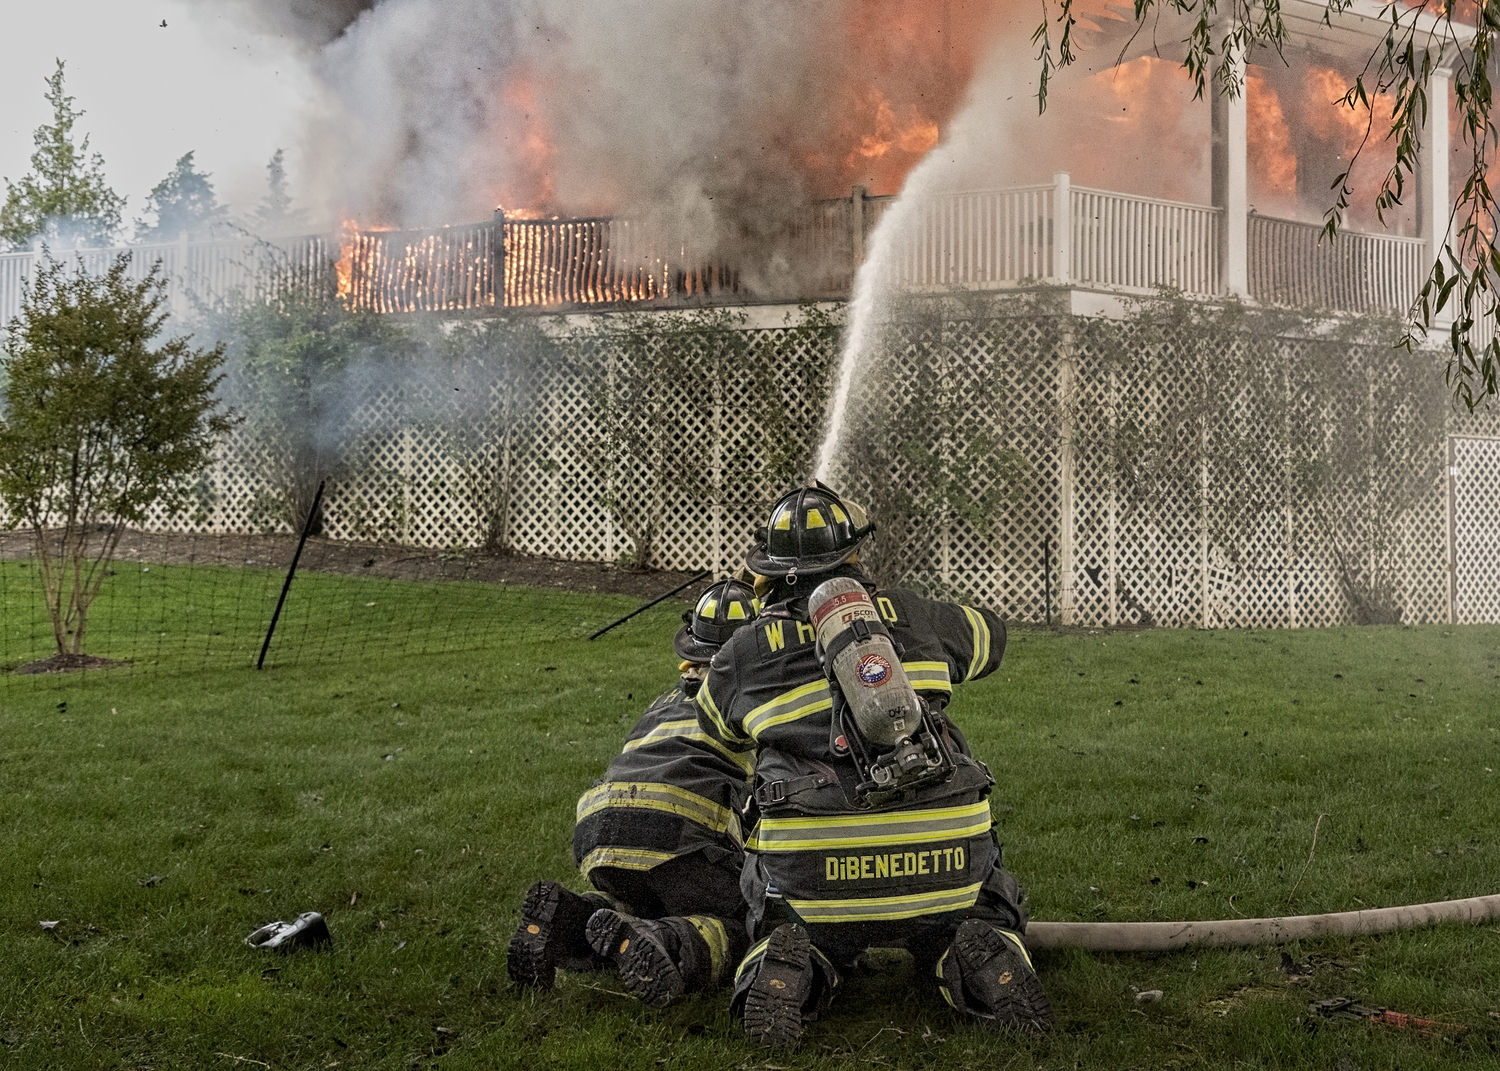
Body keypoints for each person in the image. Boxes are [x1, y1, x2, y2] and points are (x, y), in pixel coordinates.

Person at [694, 484, 1051, 1046]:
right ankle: (987, 956)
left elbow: (715, 726)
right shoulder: (912, 613)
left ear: (768, 571)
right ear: (854, 558)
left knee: (789, 924)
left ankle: (792, 965)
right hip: (946, 857)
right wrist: (912, 620)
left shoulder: (745, 650)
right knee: (971, 914)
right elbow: (992, 638)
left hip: (817, 875)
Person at [507, 578, 759, 1008]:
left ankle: (564, 921)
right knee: (739, 923)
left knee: (637, 905)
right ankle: (669, 941)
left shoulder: (661, 702)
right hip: (679, 835)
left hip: (599, 832)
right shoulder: (753, 700)